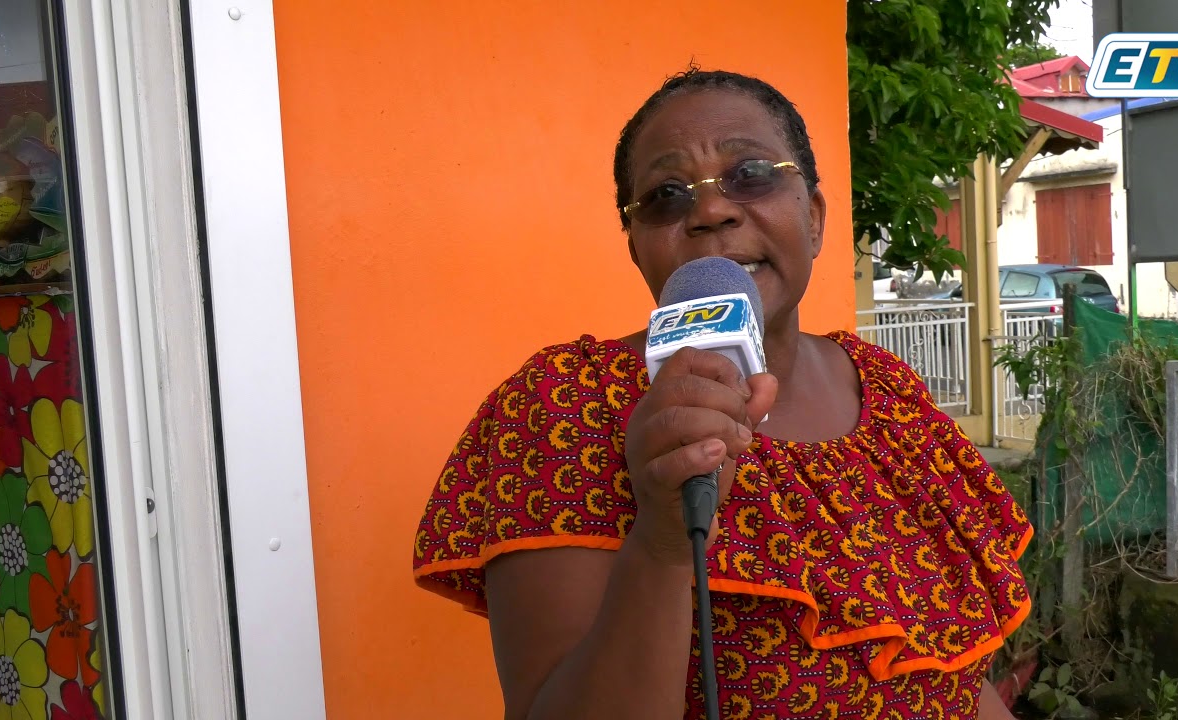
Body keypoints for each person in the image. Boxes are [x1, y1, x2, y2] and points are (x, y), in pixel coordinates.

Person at [412, 68, 1032, 720]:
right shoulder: (561, 406)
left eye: (752, 173)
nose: (710, 211)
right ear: (636, 247)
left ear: (814, 219)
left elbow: (952, 681)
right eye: (666, 195)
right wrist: (660, 541)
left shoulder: (890, 393)